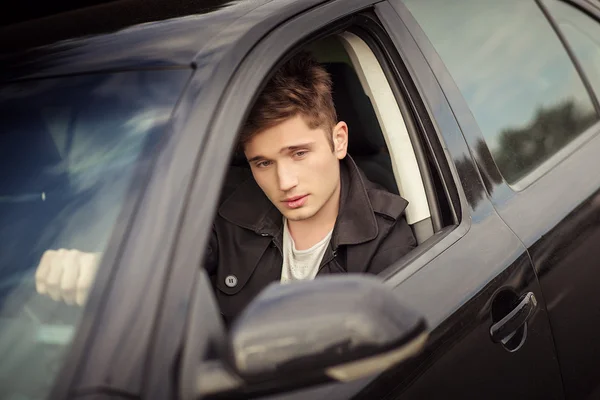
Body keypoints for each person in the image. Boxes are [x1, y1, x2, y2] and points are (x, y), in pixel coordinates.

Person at [35, 52, 417, 322]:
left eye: (298, 153)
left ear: (338, 140)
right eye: (263, 163)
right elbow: (168, 264)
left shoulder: (386, 239)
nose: (284, 183)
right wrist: (105, 273)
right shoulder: (230, 206)